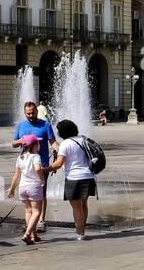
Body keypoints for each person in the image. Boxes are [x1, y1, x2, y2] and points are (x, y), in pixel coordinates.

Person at [12, 102, 56, 231]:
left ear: (37, 111)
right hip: (25, 164)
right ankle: (31, 221)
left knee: (41, 193)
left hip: (41, 165)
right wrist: (20, 141)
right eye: (28, 113)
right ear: (24, 113)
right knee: (28, 195)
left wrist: (58, 152)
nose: (31, 115)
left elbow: (52, 142)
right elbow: (13, 143)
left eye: (33, 112)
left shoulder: (45, 125)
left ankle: (41, 221)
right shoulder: (21, 125)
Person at [50, 119, 96, 240]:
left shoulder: (65, 143)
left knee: (76, 207)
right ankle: (82, 229)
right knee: (83, 204)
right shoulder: (83, 138)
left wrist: (46, 169)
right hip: (88, 176)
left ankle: (80, 232)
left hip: (74, 178)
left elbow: (59, 163)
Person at [6, 134, 46, 243]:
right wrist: (42, 179)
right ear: (33, 145)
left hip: (22, 187)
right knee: (37, 212)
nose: (39, 145)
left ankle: (34, 235)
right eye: (37, 143)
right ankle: (27, 234)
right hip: (34, 187)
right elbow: (38, 169)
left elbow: (16, 175)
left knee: (28, 212)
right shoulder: (35, 156)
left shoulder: (20, 157)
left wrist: (12, 188)